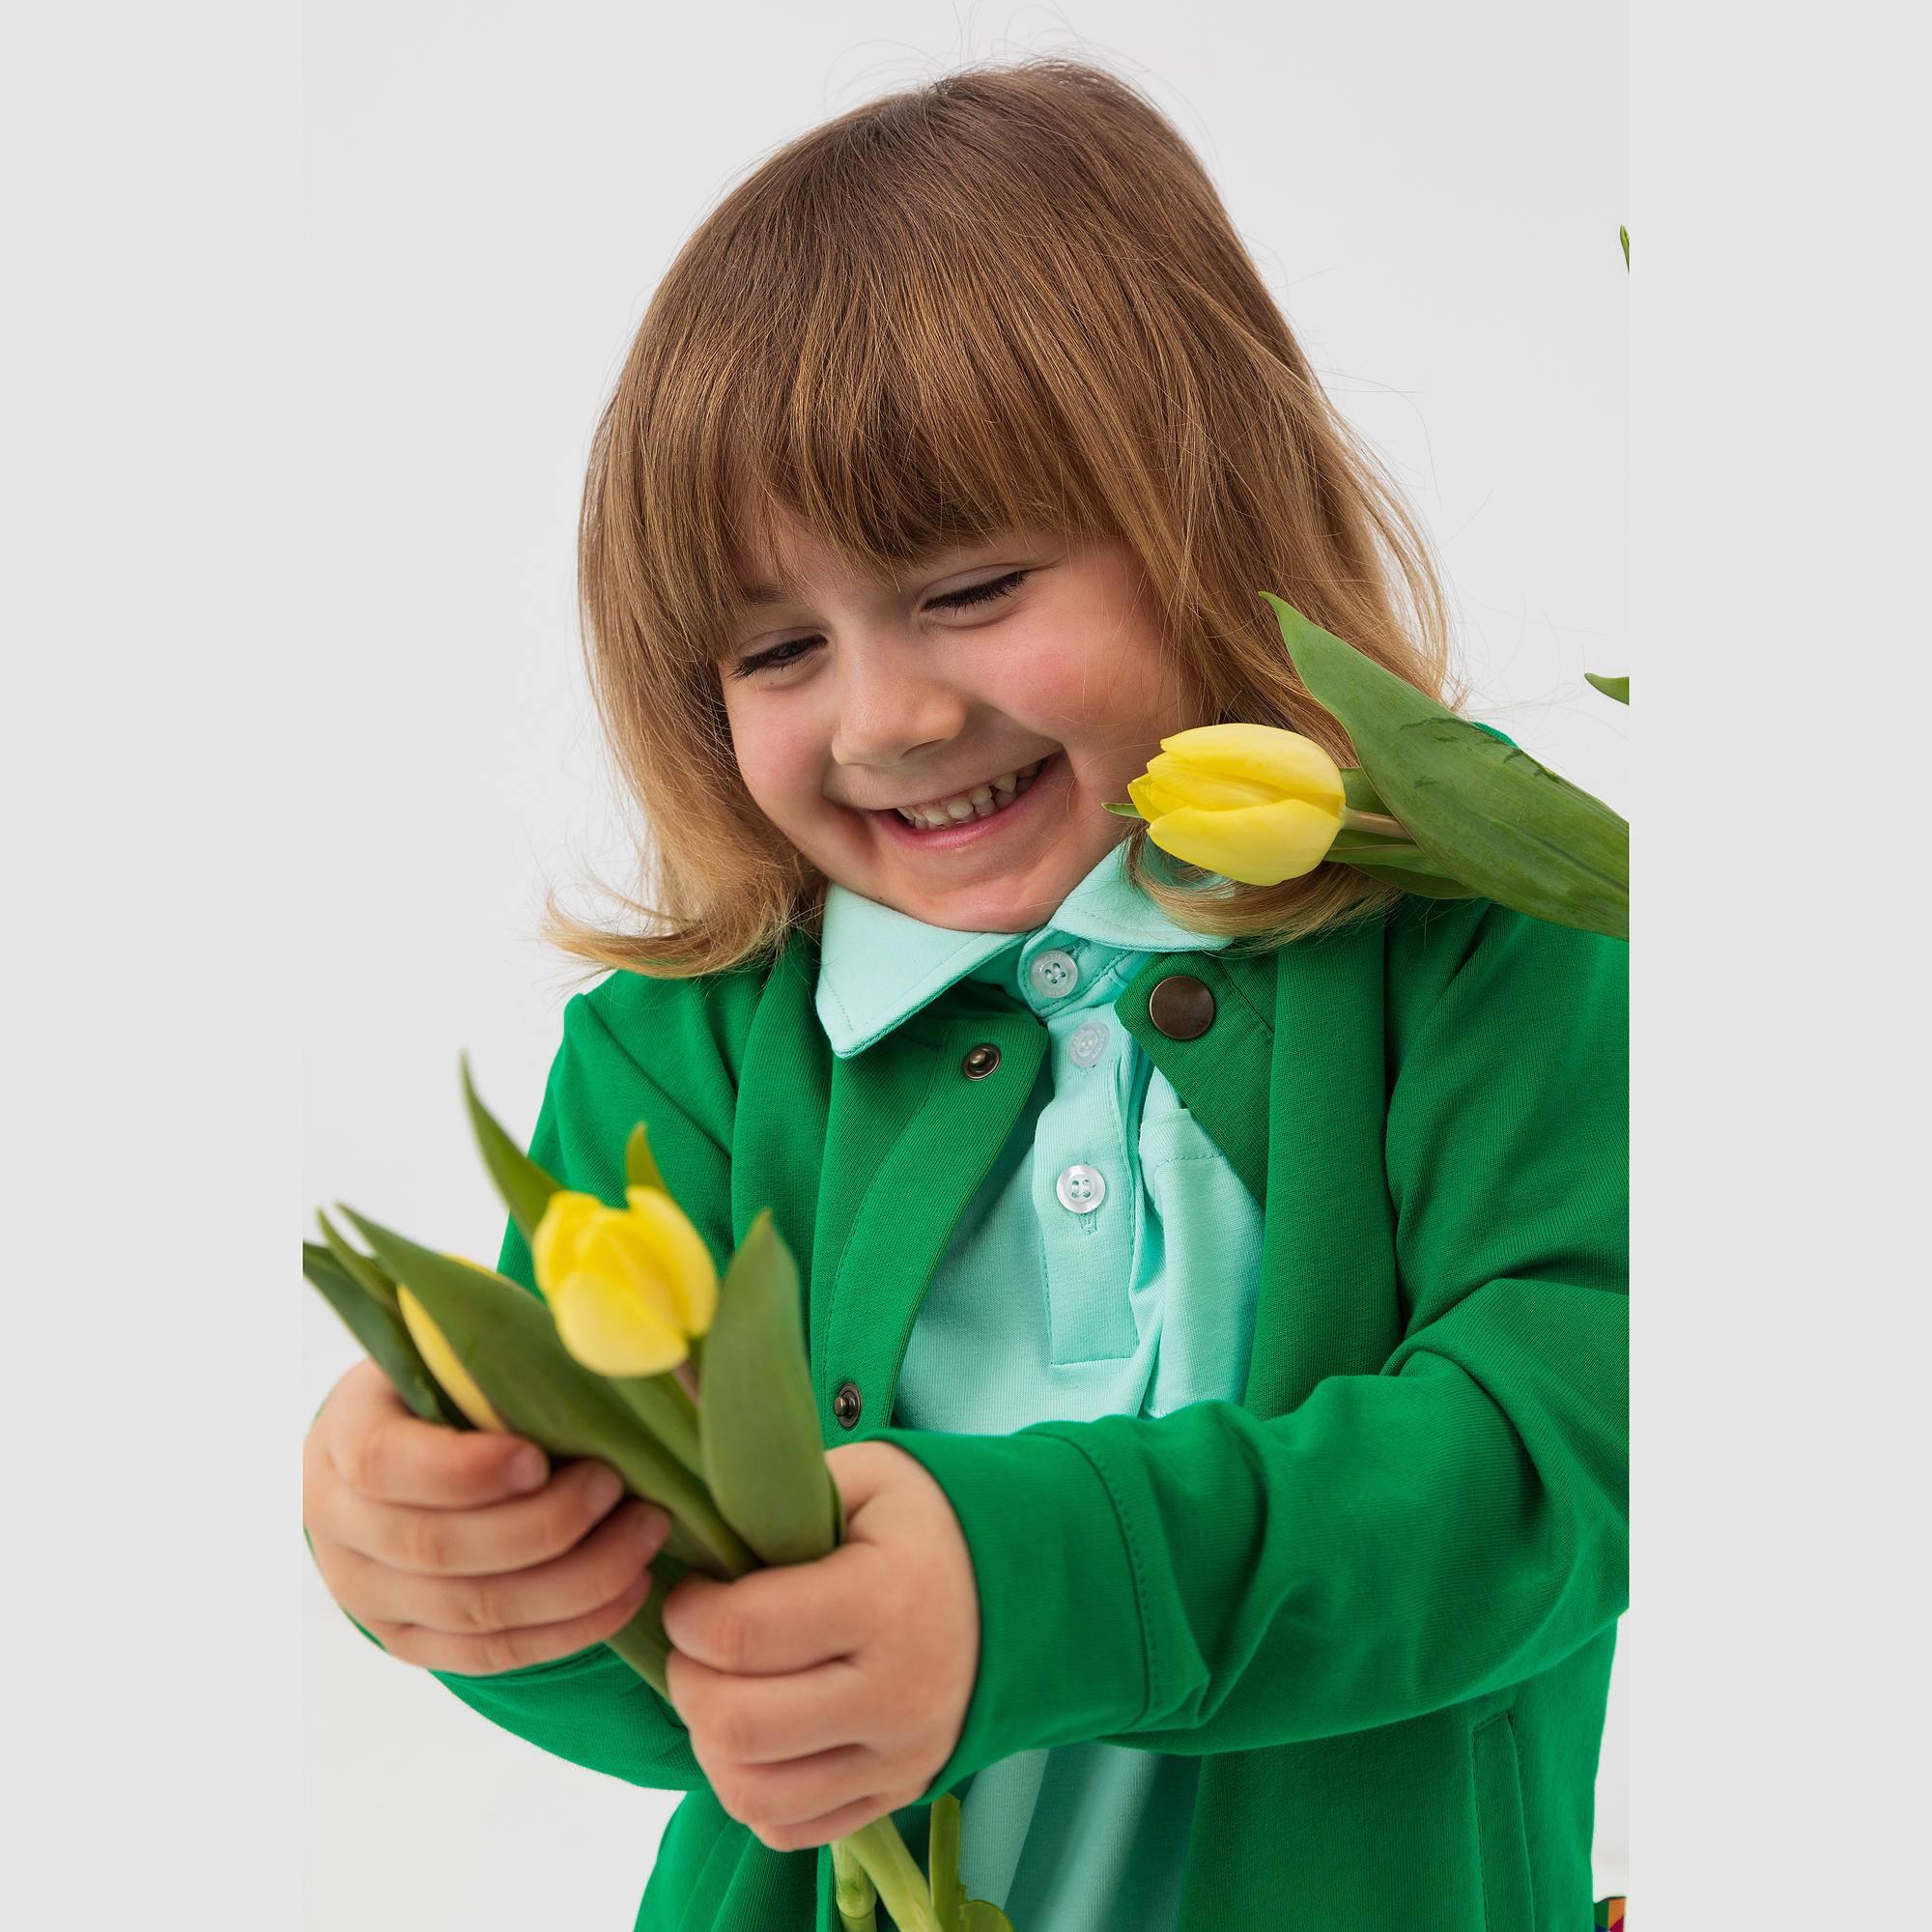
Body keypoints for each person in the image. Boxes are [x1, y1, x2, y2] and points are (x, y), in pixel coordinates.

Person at [302, 54, 1627, 1932]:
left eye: (973, 584)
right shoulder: (690, 1053)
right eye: (776, 647)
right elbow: (663, 1672)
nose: (887, 716)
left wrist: (1028, 1588)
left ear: (1212, 514)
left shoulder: (1489, 937)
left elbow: (1563, 1455)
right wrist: (450, 1556)